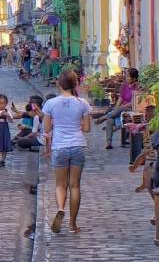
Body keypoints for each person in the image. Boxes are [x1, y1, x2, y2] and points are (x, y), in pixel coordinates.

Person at [43, 70, 92, 234]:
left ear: (59, 84)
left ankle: (60, 208)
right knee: (75, 185)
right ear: (75, 84)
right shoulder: (82, 103)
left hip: (59, 147)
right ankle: (72, 224)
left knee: (60, 185)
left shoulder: (50, 104)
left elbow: (47, 129)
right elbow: (87, 128)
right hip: (78, 145)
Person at [95, 68, 138, 149]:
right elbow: (121, 98)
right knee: (110, 119)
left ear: (134, 78)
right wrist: (116, 107)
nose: (127, 78)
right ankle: (108, 142)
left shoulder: (136, 87)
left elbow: (133, 102)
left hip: (131, 109)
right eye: (126, 76)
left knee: (118, 110)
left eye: (128, 76)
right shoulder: (125, 86)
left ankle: (103, 118)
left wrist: (121, 107)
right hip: (121, 109)